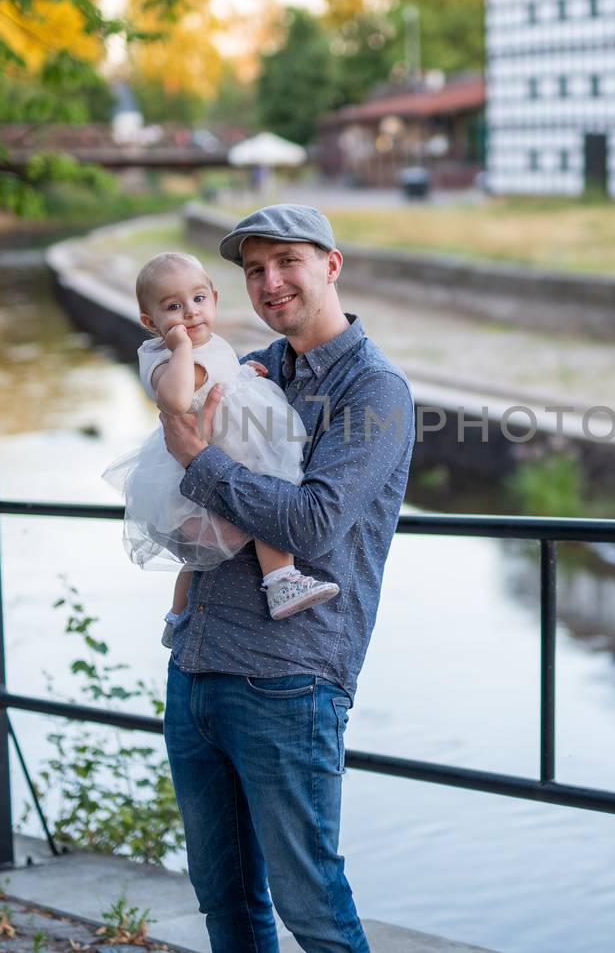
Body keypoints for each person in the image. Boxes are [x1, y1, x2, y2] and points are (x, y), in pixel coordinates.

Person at [160, 204, 414, 953]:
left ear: (331, 265)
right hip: (198, 665)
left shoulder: (376, 393)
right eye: (253, 270)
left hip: (288, 680)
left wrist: (199, 461)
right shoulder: (253, 372)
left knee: (314, 912)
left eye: (287, 262)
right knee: (226, 905)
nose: (270, 283)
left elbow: (310, 524)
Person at [103, 252, 340, 634]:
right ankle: (281, 580)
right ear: (151, 322)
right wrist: (180, 349)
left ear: (213, 298)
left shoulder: (211, 343)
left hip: (220, 449)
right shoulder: (162, 358)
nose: (190, 313)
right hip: (211, 456)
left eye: (198, 299)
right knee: (270, 498)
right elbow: (178, 400)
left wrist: (241, 373)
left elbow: (215, 379)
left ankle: (177, 617)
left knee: (200, 559)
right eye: (173, 307)